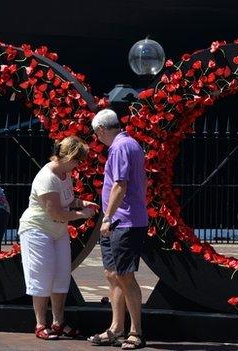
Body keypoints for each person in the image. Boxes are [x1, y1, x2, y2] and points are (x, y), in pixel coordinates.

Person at [17, 136, 99, 340]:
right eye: (77, 160)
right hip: (38, 229)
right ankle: (40, 323)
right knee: (42, 276)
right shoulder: (47, 177)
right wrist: (81, 215)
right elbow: (55, 212)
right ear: (68, 157)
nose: (78, 165)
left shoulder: (64, 173)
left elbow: (68, 200)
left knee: (61, 276)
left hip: (58, 231)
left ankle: (58, 322)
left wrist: (83, 203)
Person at [88, 109, 148, 350]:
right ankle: (116, 328)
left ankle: (135, 332)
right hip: (123, 220)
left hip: (122, 222)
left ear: (102, 130)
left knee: (124, 275)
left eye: (96, 134)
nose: (97, 139)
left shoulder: (120, 147)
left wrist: (108, 217)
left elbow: (119, 185)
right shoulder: (130, 144)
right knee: (113, 275)